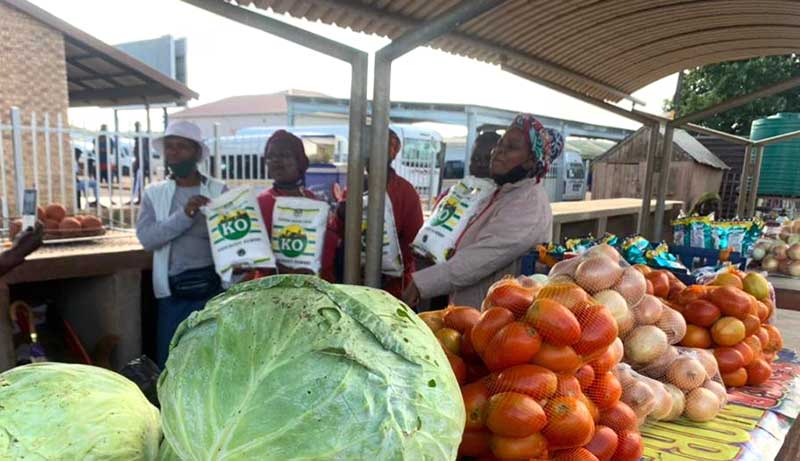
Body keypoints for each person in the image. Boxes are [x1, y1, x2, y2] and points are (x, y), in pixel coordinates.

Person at [403, 114, 560, 309]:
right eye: (500, 144)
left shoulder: (528, 203)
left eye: (511, 147)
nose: (498, 151)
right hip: (470, 311)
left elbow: (480, 258)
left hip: (491, 319)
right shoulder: (503, 192)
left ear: (530, 160)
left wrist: (421, 284)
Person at [135, 121, 227, 368]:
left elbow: (228, 239)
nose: (174, 153)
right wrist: (185, 215)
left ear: (196, 153)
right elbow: (147, 238)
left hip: (212, 291)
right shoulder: (154, 194)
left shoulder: (219, 191)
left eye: (182, 147)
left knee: (210, 361)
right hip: (173, 294)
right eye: (170, 147)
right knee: (173, 362)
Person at [256, 130, 337, 281]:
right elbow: (255, 254)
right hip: (274, 290)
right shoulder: (261, 203)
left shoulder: (315, 202)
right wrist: (288, 272)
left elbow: (330, 245)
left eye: (284, 155)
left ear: (300, 161)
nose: (275, 161)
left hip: (315, 287)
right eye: (270, 156)